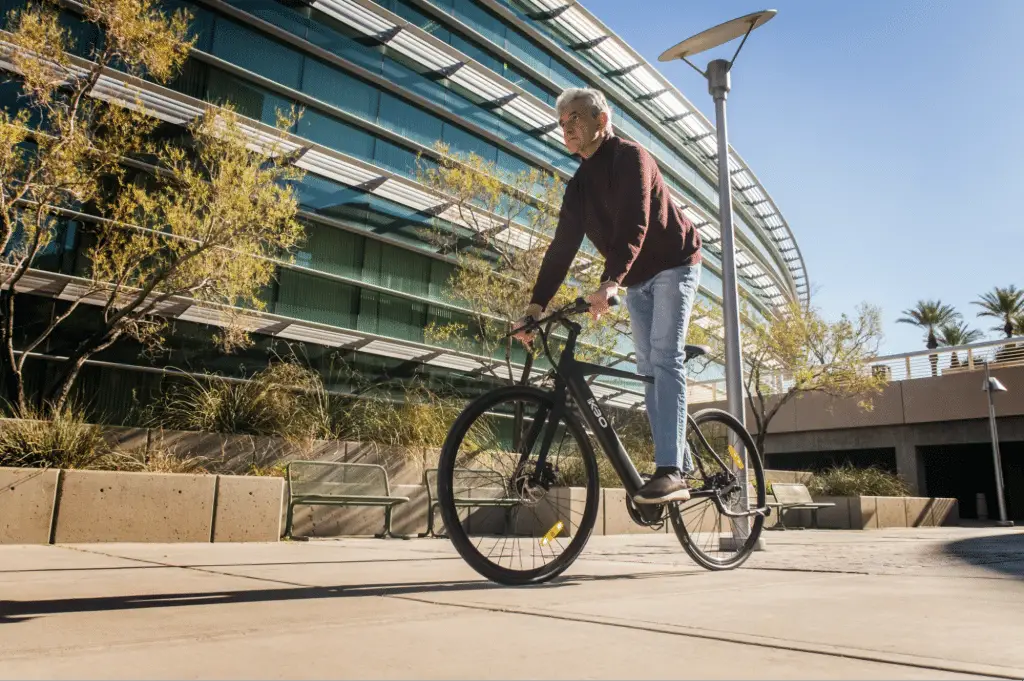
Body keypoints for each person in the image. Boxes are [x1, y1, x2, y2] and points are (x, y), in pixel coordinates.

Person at [513, 88, 702, 504]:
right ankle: (681, 464)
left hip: (675, 263)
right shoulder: (578, 187)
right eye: (562, 123)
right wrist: (534, 308)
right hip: (635, 278)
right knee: (647, 368)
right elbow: (561, 247)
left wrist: (610, 280)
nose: (568, 128)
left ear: (602, 120)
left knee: (664, 355)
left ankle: (671, 471)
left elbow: (636, 222)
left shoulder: (630, 157)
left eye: (576, 118)